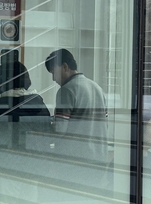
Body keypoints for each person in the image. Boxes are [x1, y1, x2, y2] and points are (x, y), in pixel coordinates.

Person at [44, 49, 110, 188]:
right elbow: (105, 125)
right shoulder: (97, 88)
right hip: (99, 158)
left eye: (53, 72)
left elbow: (59, 129)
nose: (53, 79)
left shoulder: (67, 90)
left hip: (75, 161)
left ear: (65, 67)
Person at [0, 61, 50, 160]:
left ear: (3, 82)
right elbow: (48, 133)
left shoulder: (1, 106)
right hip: (36, 159)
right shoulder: (39, 103)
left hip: (5, 159)